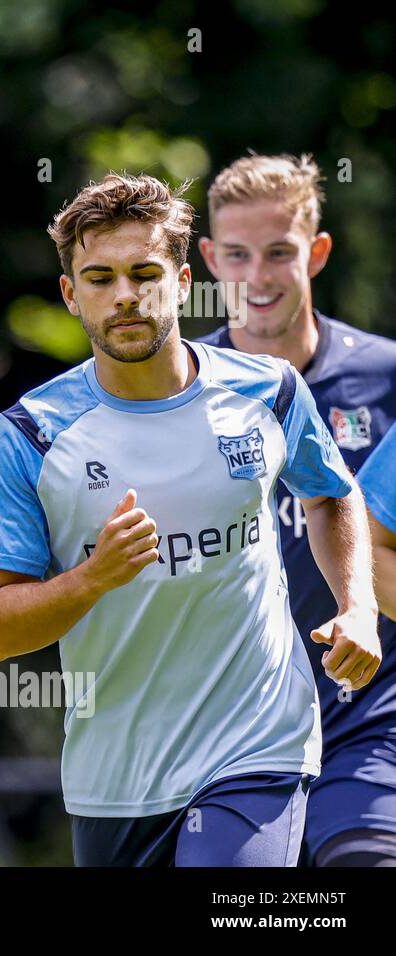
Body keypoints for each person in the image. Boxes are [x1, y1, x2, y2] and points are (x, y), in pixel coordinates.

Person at [0, 172, 379, 866]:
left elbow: (331, 495)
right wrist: (92, 579)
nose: (125, 295)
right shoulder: (34, 432)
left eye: (144, 273)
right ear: (71, 295)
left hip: (257, 746)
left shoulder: (269, 390)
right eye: (99, 278)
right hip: (116, 778)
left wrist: (359, 605)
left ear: (184, 282)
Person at [196, 153, 396, 866]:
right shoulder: (180, 394)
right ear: (210, 259)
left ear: (315, 252)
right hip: (227, 723)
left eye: (279, 253)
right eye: (239, 255)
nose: (258, 277)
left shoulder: (386, 377)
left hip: (364, 713)